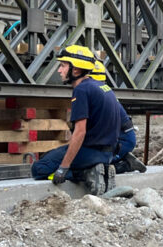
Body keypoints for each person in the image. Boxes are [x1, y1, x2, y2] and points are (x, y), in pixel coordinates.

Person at [30, 44, 121, 186]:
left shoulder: (81, 90)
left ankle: (85, 173)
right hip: (108, 153)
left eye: (63, 66)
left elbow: (80, 132)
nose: (59, 70)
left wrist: (63, 168)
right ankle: (98, 168)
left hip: (91, 153)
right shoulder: (101, 87)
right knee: (52, 155)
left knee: (39, 168)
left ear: (76, 69)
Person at [91, 59, 146, 173]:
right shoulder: (105, 92)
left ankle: (125, 165)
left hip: (121, 141)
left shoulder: (97, 97)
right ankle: (122, 158)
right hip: (125, 139)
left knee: (95, 166)